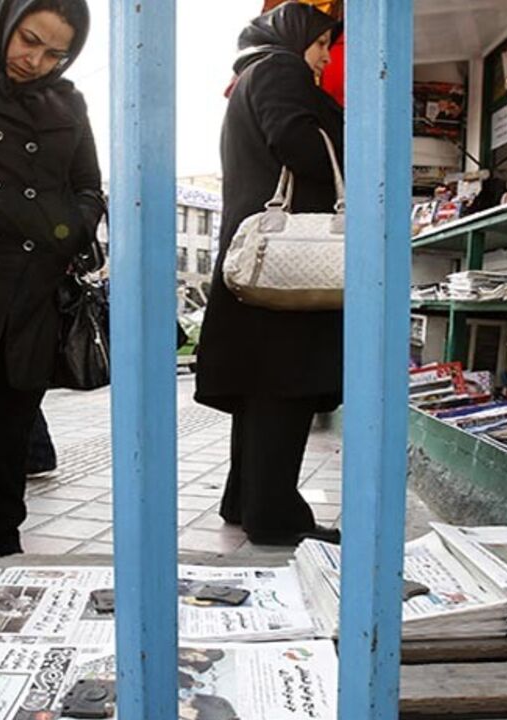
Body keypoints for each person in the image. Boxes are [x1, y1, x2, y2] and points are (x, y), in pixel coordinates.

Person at [0, 0, 104, 554]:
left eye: (56, 53)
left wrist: (68, 232)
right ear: (0, 22)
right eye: (28, 40)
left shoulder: (66, 99)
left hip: (31, 288)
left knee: (10, 433)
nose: (36, 61)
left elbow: (87, 185)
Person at [194, 2, 343, 547]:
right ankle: (276, 514)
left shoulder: (247, 78)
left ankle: (245, 498)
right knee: (288, 387)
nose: (325, 56)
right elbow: (300, 144)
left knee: (261, 391)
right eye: (322, 43)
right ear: (294, 34)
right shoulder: (281, 69)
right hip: (289, 265)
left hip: (258, 260)